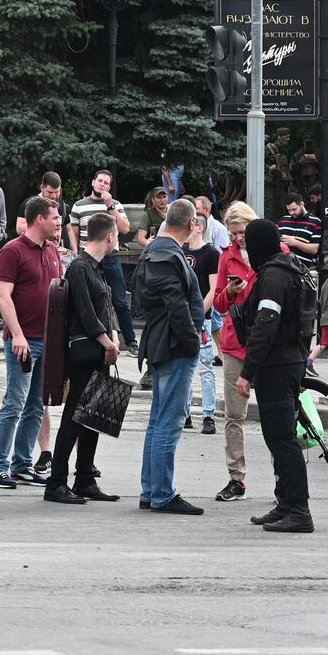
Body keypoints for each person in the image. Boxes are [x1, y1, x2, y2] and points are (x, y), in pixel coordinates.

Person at [236, 218, 314, 533]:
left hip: (277, 366)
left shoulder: (273, 276)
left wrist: (247, 371)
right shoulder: (290, 268)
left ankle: (299, 511)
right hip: (288, 361)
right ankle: (285, 504)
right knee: (278, 437)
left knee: (282, 439)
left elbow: (265, 325)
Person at [0, 196, 63, 489]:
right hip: (24, 341)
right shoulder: (12, 251)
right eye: (54, 217)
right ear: (39, 219)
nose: (58, 222)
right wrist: (17, 334)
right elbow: (3, 297)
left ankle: (21, 464)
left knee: (35, 405)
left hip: (48, 341)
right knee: (14, 402)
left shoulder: (53, 250)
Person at [45, 211, 121, 504]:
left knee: (93, 418)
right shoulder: (79, 267)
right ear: (110, 236)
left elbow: (108, 307)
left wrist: (113, 338)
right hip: (87, 352)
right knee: (75, 417)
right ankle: (56, 482)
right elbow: (87, 314)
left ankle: (85, 479)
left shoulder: (96, 267)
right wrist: (108, 344)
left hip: (101, 350)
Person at [135, 199, 206, 515]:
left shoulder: (154, 249)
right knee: (169, 419)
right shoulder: (166, 252)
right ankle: (161, 493)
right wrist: (192, 342)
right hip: (174, 346)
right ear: (191, 224)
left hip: (164, 343)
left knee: (159, 419)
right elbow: (177, 307)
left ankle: (152, 490)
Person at [211, 200, 273, 503]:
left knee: (277, 414)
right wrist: (230, 292)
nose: (239, 238)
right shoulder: (227, 257)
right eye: (234, 233)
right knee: (234, 415)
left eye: (243, 231)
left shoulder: (276, 253)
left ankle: (282, 477)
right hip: (236, 344)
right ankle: (236, 478)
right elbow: (219, 305)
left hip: (268, 346)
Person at [69, 170, 135, 350]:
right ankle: (91, 336)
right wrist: (75, 252)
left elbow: (125, 228)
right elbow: (73, 232)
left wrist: (110, 206)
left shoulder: (115, 204)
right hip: (87, 259)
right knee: (89, 298)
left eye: (106, 183)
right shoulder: (79, 206)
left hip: (110, 257)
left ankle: (130, 341)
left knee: (119, 299)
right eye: (100, 181)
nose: (102, 185)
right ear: (93, 182)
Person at [182, 210, 220, 434]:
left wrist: (198, 314)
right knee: (184, 366)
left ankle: (208, 414)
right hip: (183, 319)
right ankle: (185, 412)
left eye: (192, 224)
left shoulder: (210, 254)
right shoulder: (181, 250)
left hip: (200, 319)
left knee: (205, 368)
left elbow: (213, 290)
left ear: (199, 227)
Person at [16, 172, 71, 252]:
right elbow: (19, 228)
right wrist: (46, 229)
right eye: (50, 192)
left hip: (55, 250)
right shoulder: (31, 203)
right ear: (42, 187)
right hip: (33, 249)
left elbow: (68, 229)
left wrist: (74, 250)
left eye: (57, 192)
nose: (54, 196)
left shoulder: (62, 205)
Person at [277, 192, 322, 271]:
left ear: (302, 204)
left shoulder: (315, 222)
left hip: (300, 270)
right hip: (281, 267)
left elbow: (314, 249)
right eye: (289, 210)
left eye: (294, 209)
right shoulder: (283, 220)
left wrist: (295, 243)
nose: (291, 213)